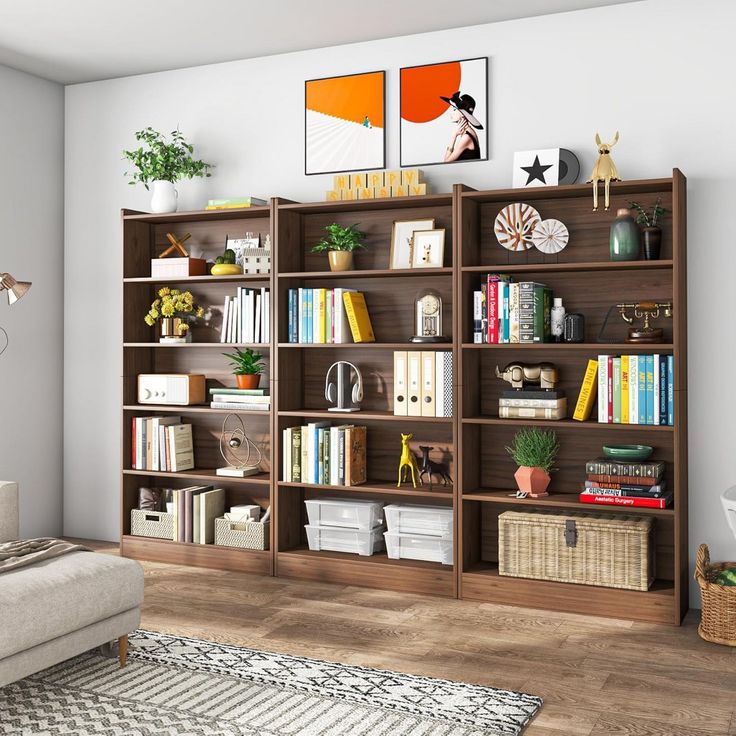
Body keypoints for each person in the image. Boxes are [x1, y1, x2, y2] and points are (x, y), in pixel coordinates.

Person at [440, 92, 483, 162]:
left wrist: (453, 136)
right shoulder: (466, 132)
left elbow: (446, 162)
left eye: (454, 109)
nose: (451, 112)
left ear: (463, 114)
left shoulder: (466, 137)